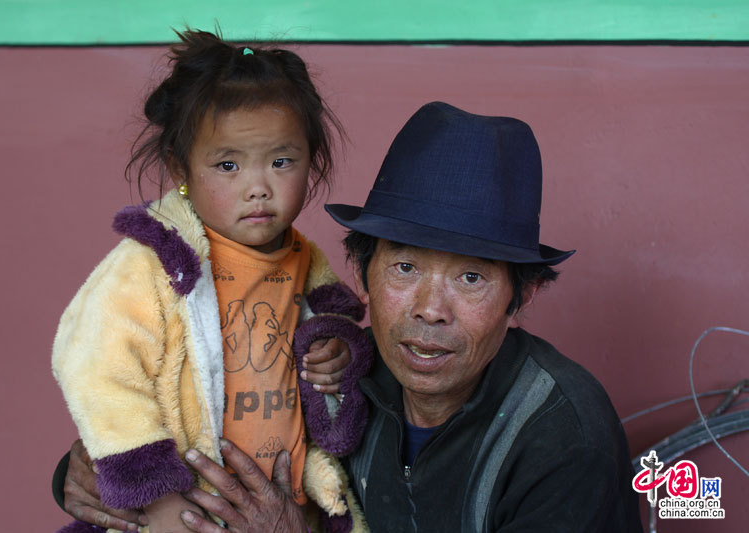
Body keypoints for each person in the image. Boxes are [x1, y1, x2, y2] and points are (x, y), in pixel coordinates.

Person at [56, 102, 643, 532]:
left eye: (471, 278)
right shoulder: (343, 376)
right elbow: (211, 412)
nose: (429, 311)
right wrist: (78, 473)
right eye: (405, 269)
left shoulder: (563, 436)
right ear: (361, 274)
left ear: (521, 298)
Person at [51, 28, 372, 533]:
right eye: (227, 165)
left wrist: (336, 351)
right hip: (185, 511)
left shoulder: (303, 256)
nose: (259, 188)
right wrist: (154, 495)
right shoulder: (157, 261)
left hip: (283, 512)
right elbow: (96, 365)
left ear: (313, 160)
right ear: (181, 167)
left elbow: (336, 321)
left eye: (282, 161)